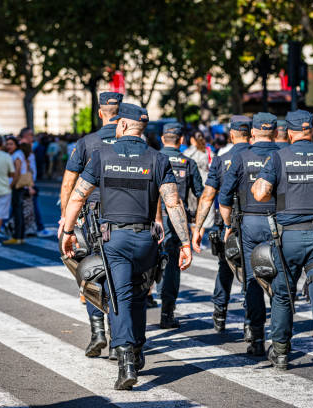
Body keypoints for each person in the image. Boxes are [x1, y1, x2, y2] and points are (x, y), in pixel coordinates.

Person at [61, 102, 192, 390]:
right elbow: (173, 202)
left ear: (121, 125)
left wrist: (68, 231)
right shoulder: (158, 159)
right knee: (138, 295)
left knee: (119, 298)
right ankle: (138, 348)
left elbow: (77, 197)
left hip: (114, 240)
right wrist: (185, 242)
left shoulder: (101, 155)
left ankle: (126, 361)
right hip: (146, 239)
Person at [252, 109, 313, 382]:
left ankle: (280, 353)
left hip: (288, 238)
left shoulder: (278, 157)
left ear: (289, 133)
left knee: (282, 294)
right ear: (312, 130)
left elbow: (260, 194)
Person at [59, 92, 122, 359]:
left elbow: (68, 184)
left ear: (99, 113)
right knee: (121, 278)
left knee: (91, 272)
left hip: (90, 217)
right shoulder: (132, 141)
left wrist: (66, 220)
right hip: (123, 216)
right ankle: (121, 339)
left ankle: (97, 332)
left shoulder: (87, 142)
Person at [218, 113, 280, 356]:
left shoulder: (241, 157)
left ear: (253, 133)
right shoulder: (283, 154)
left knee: (253, 281)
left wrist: (228, 226)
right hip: (279, 223)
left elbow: (224, 200)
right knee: (279, 281)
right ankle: (280, 340)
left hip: (250, 224)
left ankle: (256, 338)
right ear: (275, 133)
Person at [192, 120, 251, 332]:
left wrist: (198, 228)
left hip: (227, 221)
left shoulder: (221, 160)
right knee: (252, 271)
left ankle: (220, 311)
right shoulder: (262, 158)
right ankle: (251, 319)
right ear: (250, 134)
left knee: (225, 267)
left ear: (232, 135)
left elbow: (208, 196)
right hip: (255, 221)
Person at [157, 123, 204, 329]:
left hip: (151, 218)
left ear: (162, 138)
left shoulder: (152, 157)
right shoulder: (188, 162)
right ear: (181, 140)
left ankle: (147, 297)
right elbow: (201, 193)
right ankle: (167, 313)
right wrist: (197, 224)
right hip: (176, 218)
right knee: (172, 267)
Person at [4, 137, 34, 244]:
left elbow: (17, 172)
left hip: (17, 186)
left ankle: (17, 237)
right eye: (7, 144)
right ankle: (20, 237)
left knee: (17, 211)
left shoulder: (16, 155)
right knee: (19, 211)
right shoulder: (19, 154)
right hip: (19, 186)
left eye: (11, 144)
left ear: (16, 145)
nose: (8, 146)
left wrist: (11, 185)